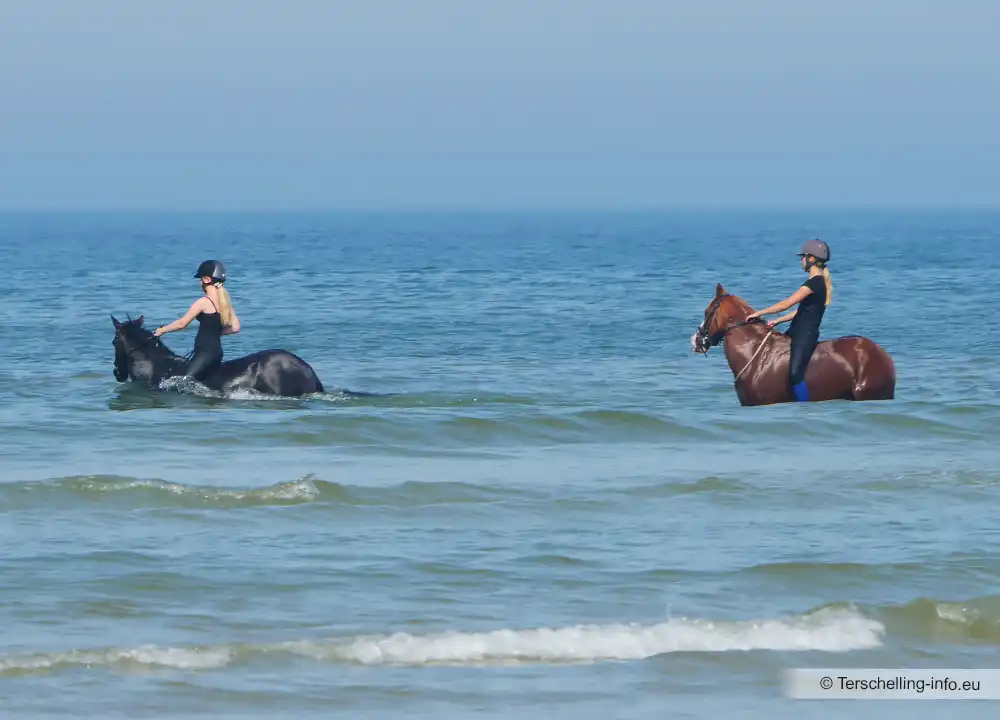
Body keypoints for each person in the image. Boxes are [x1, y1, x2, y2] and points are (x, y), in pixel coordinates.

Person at [746, 239, 832, 402]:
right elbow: (800, 312)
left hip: (805, 335)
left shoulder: (814, 283)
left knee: (794, 375)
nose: (801, 260)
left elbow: (786, 304)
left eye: (803, 257)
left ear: (811, 259)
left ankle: (805, 406)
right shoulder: (816, 283)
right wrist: (777, 321)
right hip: (795, 330)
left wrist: (759, 313)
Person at [153, 260, 241, 382]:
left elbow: (181, 324)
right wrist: (213, 333)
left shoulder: (204, 302)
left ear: (206, 279)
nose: (200, 283)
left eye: (200, 280)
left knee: (181, 383)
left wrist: (161, 331)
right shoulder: (225, 303)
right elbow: (236, 328)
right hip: (217, 354)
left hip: (205, 354)